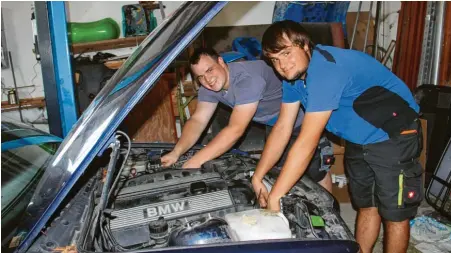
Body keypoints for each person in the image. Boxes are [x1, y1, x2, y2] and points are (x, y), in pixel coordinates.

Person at [252, 20, 422, 253]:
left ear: (304, 46)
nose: (282, 65)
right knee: (366, 205)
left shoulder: (326, 70)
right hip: (359, 137)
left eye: (286, 53)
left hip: (394, 134)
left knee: (394, 213)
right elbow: (282, 128)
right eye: (274, 60)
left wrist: (276, 197)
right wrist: (257, 176)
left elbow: (307, 142)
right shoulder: (293, 77)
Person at [160, 48, 333, 192]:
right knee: (279, 175)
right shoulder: (208, 86)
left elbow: (235, 129)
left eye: (210, 70)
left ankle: (332, 217)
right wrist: (176, 152)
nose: (207, 80)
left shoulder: (248, 79)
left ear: (221, 62)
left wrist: (195, 162)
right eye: (200, 77)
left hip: (299, 120)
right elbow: (198, 120)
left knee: (314, 173)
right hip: (274, 124)